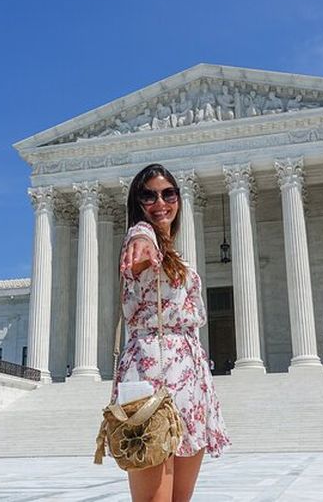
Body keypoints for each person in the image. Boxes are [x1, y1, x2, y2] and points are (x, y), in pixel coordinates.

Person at [116, 163, 231, 502]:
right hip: (151, 377)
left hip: (189, 380)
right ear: (137, 204)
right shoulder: (141, 237)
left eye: (168, 193)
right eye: (148, 196)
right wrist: (140, 236)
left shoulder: (173, 252)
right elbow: (138, 243)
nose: (160, 202)